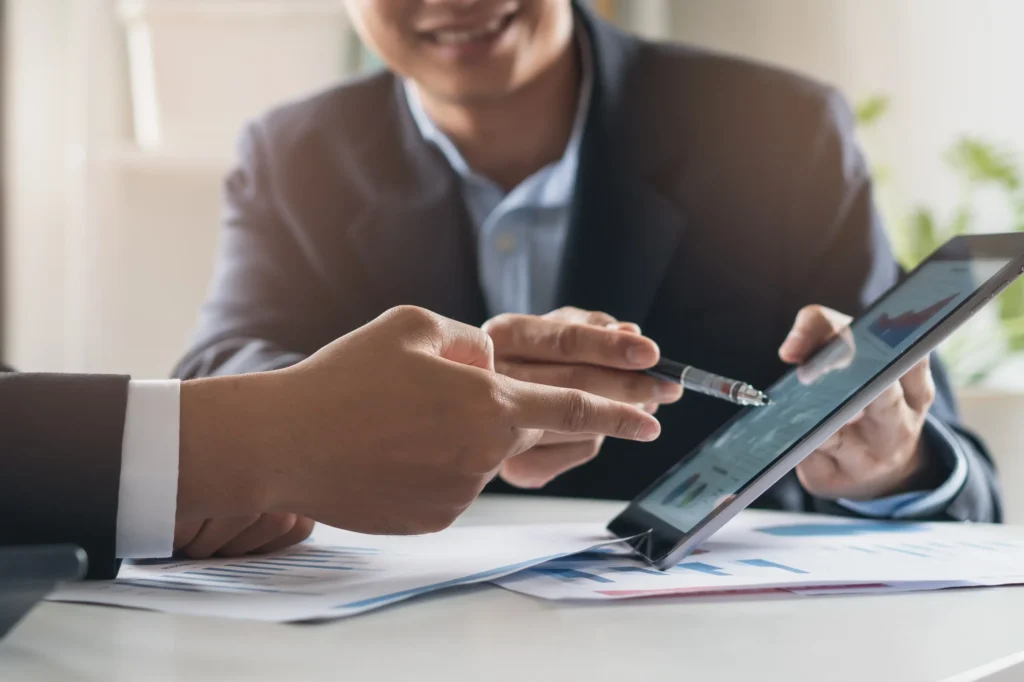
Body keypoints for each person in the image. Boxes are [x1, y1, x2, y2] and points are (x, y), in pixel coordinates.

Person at [175, 0, 1000, 529]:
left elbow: (962, 482)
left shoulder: (777, 130)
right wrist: (370, 403)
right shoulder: (292, 155)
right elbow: (218, 376)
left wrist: (892, 463)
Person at [1, 306, 660, 578]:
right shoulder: (298, 144)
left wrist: (189, 470)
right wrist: (249, 438)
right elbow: (220, 353)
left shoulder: (726, 115)